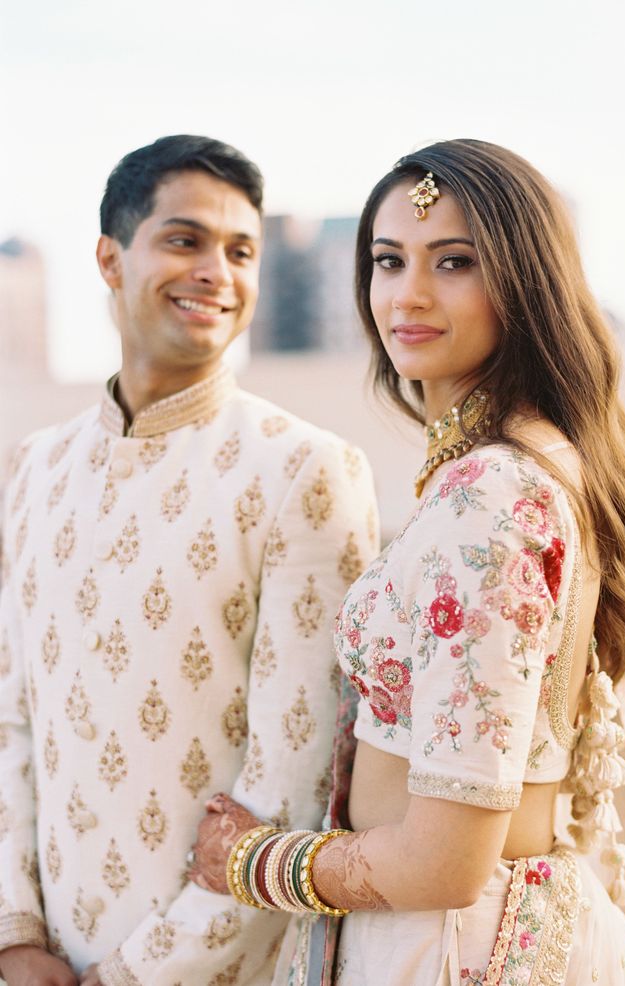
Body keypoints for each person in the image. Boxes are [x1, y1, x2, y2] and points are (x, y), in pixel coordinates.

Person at [189, 140, 625, 986]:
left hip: (452, 949)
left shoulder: (493, 492)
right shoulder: (531, 465)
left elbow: (444, 864)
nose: (409, 294)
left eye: (455, 261)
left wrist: (252, 861)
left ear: (523, 280)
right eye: (388, 260)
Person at [0, 135, 379, 986]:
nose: (218, 271)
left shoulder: (305, 470)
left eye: (240, 251)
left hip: (228, 967)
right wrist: (14, 936)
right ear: (109, 258)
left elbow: (298, 783)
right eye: (184, 240)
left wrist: (130, 978)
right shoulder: (33, 469)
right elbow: (10, 724)